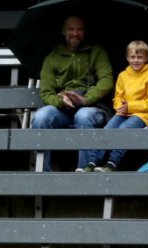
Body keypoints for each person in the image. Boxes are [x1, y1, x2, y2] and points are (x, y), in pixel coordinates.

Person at [31, 15, 114, 172]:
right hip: (63, 109)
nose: (75, 33)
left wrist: (85, 99)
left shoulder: (96, 51)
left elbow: (106, 81)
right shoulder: (52, 57)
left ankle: (85, 171)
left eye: (79, 29)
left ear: (84, 32)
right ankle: (43, 175)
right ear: (63, 31)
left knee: (82, 116)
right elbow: (46, 92)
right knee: (41, 117)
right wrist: (61, 100)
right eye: (71, 29)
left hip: (92, 106)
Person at [82, 40, 148, 173]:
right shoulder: (123, 75)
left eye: (139, 57)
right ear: (127, 58)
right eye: (132, 57)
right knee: (108, 129)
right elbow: (118, 97)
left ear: (146, 58)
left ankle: (112, 163)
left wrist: (130, 106)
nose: (136, 60)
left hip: (144, 115)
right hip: (123, 113)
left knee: (124, 128)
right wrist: (121, 106)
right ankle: (92, 162)